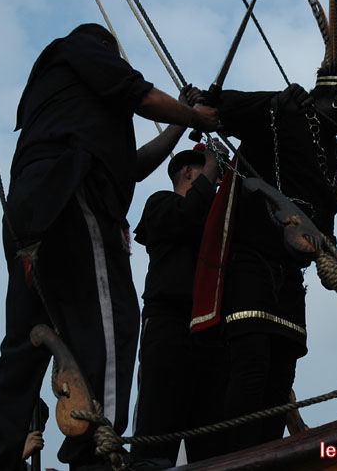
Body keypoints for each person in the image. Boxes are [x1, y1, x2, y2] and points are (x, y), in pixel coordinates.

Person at [0, 23, 219, 471]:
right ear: (107, 48)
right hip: (73, 193)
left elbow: (132, 166)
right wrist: (199, 118)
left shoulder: (64, 101)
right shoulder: (82, 48)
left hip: (32, 209)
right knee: (109, 324)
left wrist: (180, 122)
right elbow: (140, 94)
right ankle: (98, 456)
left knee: (25, 342)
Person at [188, 0, 337, 453]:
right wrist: (201, 101)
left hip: (291, 279)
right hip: (249, 266)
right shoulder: (285, 109)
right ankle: (232, 459)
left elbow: (324, 234)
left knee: (280, 371)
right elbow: (216, 108)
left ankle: (261, 458)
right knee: (252, 364)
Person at [130, 141, 228, 467]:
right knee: (157, 430)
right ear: (187, 171)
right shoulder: (160, 203)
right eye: (208, 173)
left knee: (211, 436)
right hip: (168, 325)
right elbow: (186, 216)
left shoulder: (213, 222)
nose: (215, 181)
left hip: (209, 331)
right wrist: (212, 164)